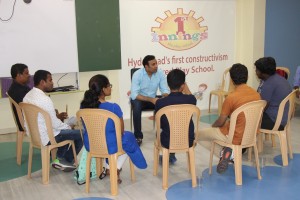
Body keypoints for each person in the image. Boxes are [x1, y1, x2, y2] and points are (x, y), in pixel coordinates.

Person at [80, 74, 147, 184]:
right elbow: (120, 132)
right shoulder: (113, 107)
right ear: (103, 89)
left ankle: (108, 168)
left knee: (123, 140)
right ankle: (114, 169)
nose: (111, 88)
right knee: (128, 139)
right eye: (109, 85)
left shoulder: (83, 107)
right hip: (109, 145)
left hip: (91, 144)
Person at [198, 63, 260, 174]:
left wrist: (212, 127)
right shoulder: (256, 95)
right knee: (213, 137)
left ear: (231, 79)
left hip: (233, 136)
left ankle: (228, 154)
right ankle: (229, 153)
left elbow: (221, 122)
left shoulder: (231, 97)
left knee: (197, 135)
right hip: (251, 135)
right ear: (247, 77)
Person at [23, 70, 83, 171]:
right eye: (50, 80)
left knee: (66, 133)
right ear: (42, 82)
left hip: (34, 136)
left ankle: (59, 158)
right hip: (47, 137)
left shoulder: (27, 96)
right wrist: (69, 126)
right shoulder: (45, 99)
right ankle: (64, 160)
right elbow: (55, 124)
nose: (52, 83)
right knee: (82, 133)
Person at [155, 69, 196, 164]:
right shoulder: (191, 100)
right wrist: (185, 86)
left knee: (164, 130)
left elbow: (160, 125)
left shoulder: (160, 103)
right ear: (183, 85)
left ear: (168, 85)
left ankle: (169, 155)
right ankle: (171, 156)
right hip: (188, 140)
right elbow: (191, 96)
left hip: (167, 141)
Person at [130, 55, 170, 145]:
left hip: (152, 98)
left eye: (156, 63)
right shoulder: (137, 74)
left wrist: (164, 96)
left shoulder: (160, 73)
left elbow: (165, 90)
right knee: (136, 105)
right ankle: (138, 136)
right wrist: (151, 99)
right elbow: (134, 94)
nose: (156, 66)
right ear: (146, 67)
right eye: (153, 64)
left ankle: (162, 133)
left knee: (165, 102)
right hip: (139, 99)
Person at [255, 57, 292, 130]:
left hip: (275, 122)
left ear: (263, 72)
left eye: (257, 69)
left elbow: (262, 107)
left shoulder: (269, 84)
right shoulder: (280, 79)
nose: (255, 72)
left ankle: (247, 140)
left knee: (245, 118)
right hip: (284, 118)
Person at [7, 63, 31, 131]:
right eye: (26, 73)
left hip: (26, 119)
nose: (29, 75)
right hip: (26, 122)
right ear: (18, 75)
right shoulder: (17, 91)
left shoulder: (20, 86)